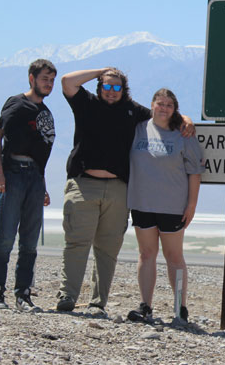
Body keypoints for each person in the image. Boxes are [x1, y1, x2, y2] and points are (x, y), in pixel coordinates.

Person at [56, 68, 195, 317]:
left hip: (121, 190)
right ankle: (68, 296)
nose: (111, 91)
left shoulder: (133, 111)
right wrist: (103, 70)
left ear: (124, 90)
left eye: (117, 87)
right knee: (78, 242)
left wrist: (185, 118)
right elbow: (67, 81)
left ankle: (99, 303)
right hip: (85, 184)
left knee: (108, 248)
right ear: (100, 86)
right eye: (107, 86)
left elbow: (163, 114)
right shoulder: (86, 103)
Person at [126, 88, 203, 324]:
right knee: (146, 253)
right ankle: (145, 306)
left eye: (169, 105)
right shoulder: (138, 128)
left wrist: (191, 204)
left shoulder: (183, 134)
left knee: (174, 256)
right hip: (142, 203)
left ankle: (180, 308)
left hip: (172, 206)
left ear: (175, 109)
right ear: (152, 105)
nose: (164, 108)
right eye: (160, 104)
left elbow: (195, 171)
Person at [0, 59, 57, 311]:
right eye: (44, 79)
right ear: (31, 78)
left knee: (29, 241)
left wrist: (43, 184)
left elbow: (40, 152)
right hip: (13, 173)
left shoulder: (46, 113)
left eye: (52, 80)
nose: (48, 84)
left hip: (35, 178)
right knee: (5, 237)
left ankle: (23, 295)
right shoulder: (17, 103)